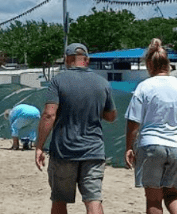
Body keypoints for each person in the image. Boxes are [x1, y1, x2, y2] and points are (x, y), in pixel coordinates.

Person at [35, 43, 117, 214]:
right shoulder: (103, 83)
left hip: (64, 150)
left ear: (67, 59)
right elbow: (111, 116)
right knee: (93, 200)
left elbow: (49, 115)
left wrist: (39, 146)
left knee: (59, 200)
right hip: (94, 151)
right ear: (86, 60)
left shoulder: (58, 81)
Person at [125, 38, 177, 214]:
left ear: (149, 64)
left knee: (154, 199)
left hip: (151, 145)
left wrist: (129, 147)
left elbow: (133, 122)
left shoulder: (143, 87)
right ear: (168, 64)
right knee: (173, 195)